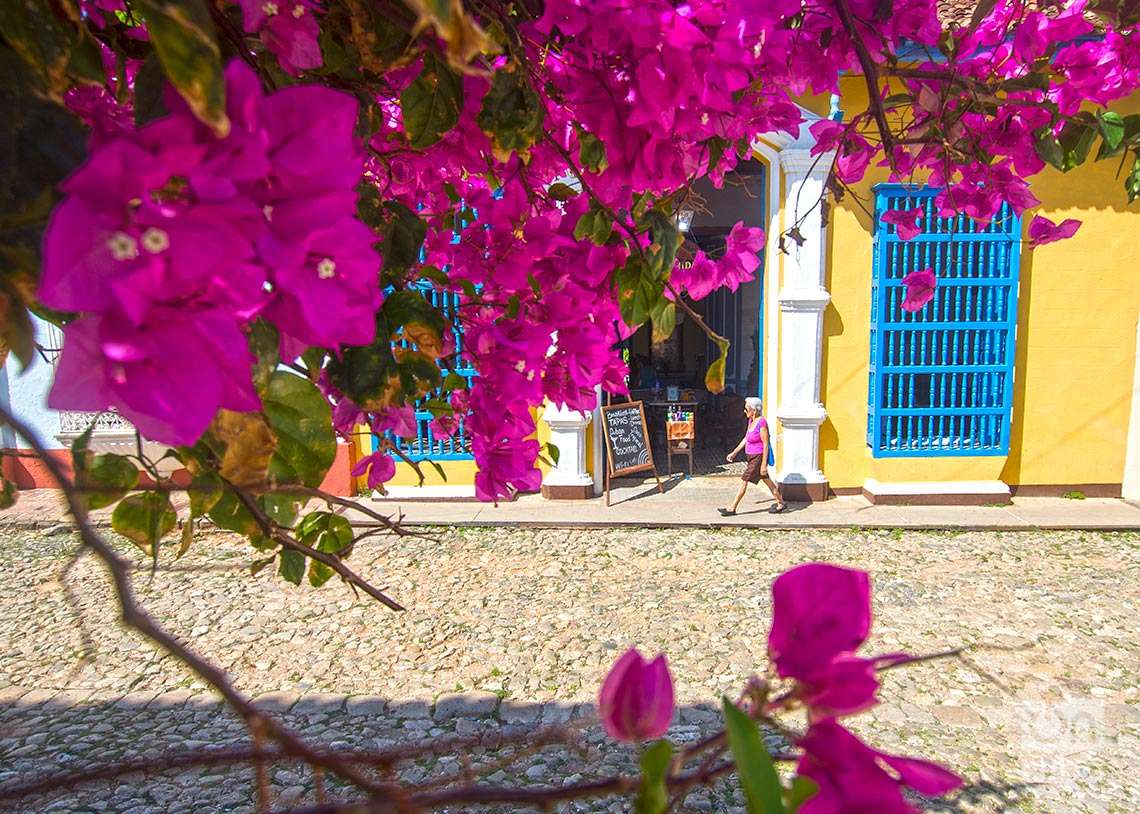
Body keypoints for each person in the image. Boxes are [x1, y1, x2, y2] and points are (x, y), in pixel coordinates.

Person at [719, 397, 787, 515]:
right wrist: (734, 452)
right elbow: (746, 439)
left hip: (758, 457)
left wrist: (764, 464)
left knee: (744, 480)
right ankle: (781, 502)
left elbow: (765, 444)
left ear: (754, 410)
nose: (745, 411)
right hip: (751, 457)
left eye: (746, 409)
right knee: (767, 480)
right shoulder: (751, 421)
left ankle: (732, 507)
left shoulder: (762, 423)